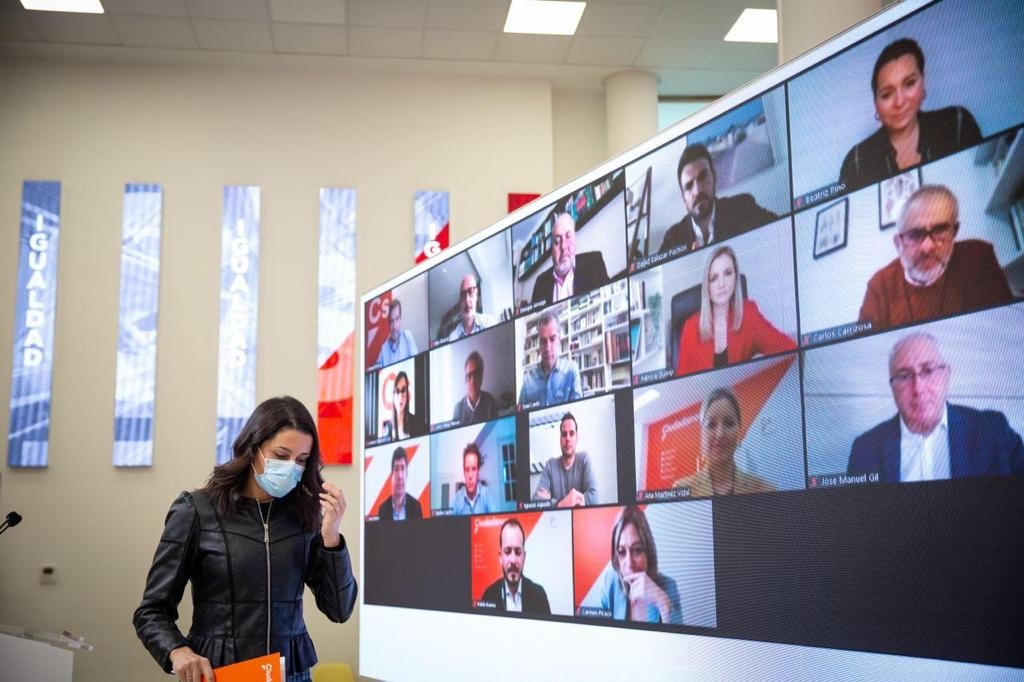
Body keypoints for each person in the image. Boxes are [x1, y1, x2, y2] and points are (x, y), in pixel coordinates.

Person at [133, 396, 357, 682]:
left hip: (292, 675)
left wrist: (331, 536)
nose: (291, 467)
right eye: (280, 455)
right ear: (254, 449)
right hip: (221, 674)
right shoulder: (197, 510)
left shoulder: (305, 516)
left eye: (301, 460)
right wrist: (177, 651)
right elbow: (151, 611)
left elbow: (339, 610)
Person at [848, 333, 1024, 483]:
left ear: (946, 375)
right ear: (892, 387)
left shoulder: (993, 429)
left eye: (928, 370)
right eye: (904, 375)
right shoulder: (865, 449)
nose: (918, 388)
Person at [858, 185, 1013, 331]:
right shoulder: (879, 286)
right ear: (898, 243)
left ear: (954, 232)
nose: (927, 247)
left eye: (940, 230)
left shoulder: (978, 257)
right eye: (915, 235)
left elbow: (1004, 330)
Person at [839, 38, 981, 192]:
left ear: (923, 82)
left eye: (909, 83)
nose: (899, 102)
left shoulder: (957, 123)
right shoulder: (857, 162)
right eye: (887, 94)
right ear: (876, 104)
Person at [676, 246, 796, 375]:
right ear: (707, 286)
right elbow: (680, 385)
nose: (721, 284)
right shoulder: (690, 326)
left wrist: (755, 370)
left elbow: (789, 350)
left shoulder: (748, 313)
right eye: (714, 278)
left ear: (735, 278)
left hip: (741, 394)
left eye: (727, 273)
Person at [658, 143, 777, 254]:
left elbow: (782, 231)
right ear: (683, 197)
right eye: (689, 186)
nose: (697, 190)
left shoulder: (743, 208)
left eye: (703, 177)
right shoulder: (672, 238)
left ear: (714, 177)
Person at [673, 387, 776, 496]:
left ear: (739, 431)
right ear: (701, 432)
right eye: (711, 424)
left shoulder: (765, 489)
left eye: (729, 423)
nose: (720, 434)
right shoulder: (681, 489)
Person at [595, 506, 683, 625]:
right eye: (621, 552)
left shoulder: (668, 587)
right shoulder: (610, 583)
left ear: (648, 551)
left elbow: (678, 640)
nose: (630, 563)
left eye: (637, 550)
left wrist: (661, 601)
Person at [530, 212, 609, 305]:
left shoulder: (595, 263)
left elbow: (607, 298)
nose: (563, 246)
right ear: (552, 249)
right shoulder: (540, 283)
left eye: (568, 236)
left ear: (575, 239)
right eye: (557, 241)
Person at [480, 518, 552, 614]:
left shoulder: (539, 596)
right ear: (500, 557)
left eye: (518, 552)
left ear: (524, 557)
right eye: (507, 551)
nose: (513, 560)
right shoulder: (489, 596)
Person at [518, 310, 583, 407]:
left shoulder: (571, 370)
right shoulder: (528, 381)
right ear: (539, 345)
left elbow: (578, 410)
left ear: (559, 340)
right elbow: (521, 415)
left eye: (552, 339)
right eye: (543, 341)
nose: (548, 348)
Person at [533, 412, 598, 507]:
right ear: (560, 439)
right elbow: (536, 500)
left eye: (571, 433)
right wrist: (561, 503)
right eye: (564, 434)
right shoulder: (550, 465)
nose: (567, 438)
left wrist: (551, 502)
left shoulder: (584, 459)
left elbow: (594, 498)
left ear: (577, 438)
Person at [444, 274, 497, 342]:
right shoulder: (453, 337)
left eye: (471, 292)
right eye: (463, 295)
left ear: (476, 295)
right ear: (460, 301)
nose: (467, 300)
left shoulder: (488, 322)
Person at [453, 351, 498, 426]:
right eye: (469, 376)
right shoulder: (458, 409)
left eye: (476, 375)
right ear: (465, 379)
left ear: (481, 377)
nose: (472, 381)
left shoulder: (491, 402)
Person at [378, 447, 423, 521]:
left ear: (407, 473)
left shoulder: (416, 507)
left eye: (403, 468)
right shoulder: (383, 509)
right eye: (396, 469)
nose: (400, 476)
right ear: (391, 474)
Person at [451, 443, 495, 515]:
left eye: (474, 469)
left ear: (478, 471)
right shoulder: (456, 500)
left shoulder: (487, 495)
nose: (470, 476)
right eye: (467, 469)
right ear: (463, 471)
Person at [377, 299, 418, 366]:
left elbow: (416, 362)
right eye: (391, 321)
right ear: (388, 323)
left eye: (397, 319)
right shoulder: (384, 349)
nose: (394, 326)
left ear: (400, 318)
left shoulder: (408, 336)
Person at [389, 371, 425, 440]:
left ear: (407, 394)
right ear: (393, 395)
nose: (400, 397)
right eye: (397, 391)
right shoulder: (388, 427)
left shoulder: (416, 423)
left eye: (403, 390)